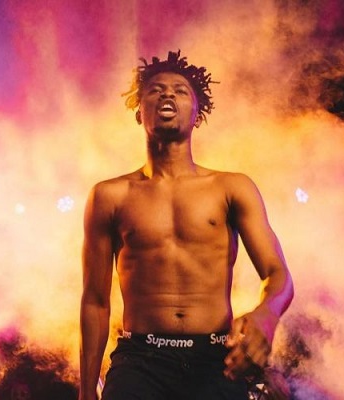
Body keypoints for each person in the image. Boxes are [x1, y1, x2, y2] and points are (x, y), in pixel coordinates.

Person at [79, 50, 294, 400]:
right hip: (139, 361)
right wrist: (86, 391)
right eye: (155, 90)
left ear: (197, 114)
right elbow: (95, 300)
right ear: (139, 111)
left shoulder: (231, 187)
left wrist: (266, 315)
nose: (167, 94)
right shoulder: (109, 195)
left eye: (180, 91)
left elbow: (277, 273)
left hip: (216, 360)